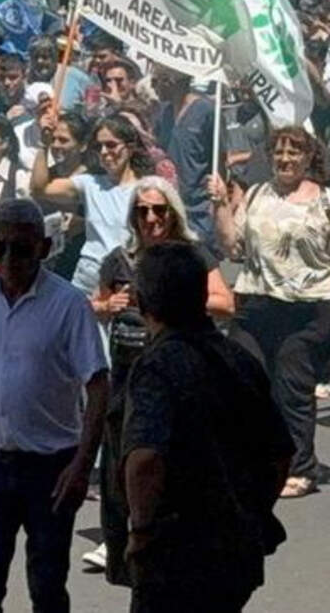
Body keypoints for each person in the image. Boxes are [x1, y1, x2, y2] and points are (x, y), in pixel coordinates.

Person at [0, 198, 107, 613]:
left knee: (47, 586)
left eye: (22, 249)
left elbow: (99, 386)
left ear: (44, 249)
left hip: (51, 468)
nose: (10, 259)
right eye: (0, 248)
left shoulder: (69, 305)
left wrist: (82, 467)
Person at [120, 242, 293, 613]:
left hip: (176, 554)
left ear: (143, 302)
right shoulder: (240, 360)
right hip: (235, 550)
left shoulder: (157, 366)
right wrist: (253, 510)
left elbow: (146, 459)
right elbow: (280, 453)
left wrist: (141, 532)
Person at [85, 176, 234, 580]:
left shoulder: (192, 255)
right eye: (142, 210)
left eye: (159, 209)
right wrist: (107, 304)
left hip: (179, 369)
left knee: (164, 456)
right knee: (119, 456)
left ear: (172, 212)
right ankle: (117, 539)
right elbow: (95, 306)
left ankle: (160, 532)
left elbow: (225, 302)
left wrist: (177, 297)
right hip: (127, 368)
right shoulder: (119, 259)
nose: (151, 218)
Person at [210, 125, 330, 498]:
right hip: (257, 303)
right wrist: (220, 204)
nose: (285, 159)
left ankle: (300, 467)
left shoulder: (327, 200)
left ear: (308, 158)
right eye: (278, 152)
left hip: (308, 309)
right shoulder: (256, 195)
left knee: (291, 387)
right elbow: (233, 246)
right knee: (244, 380)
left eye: (293, 152)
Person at [31, 110, 155, 295]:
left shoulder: (147, 189)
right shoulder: (90, 183)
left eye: (111, 145)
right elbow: (40, 188)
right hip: (88, 275)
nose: (105, 152)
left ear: (129, 148)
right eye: (99, 147)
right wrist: (44, 145)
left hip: (126, 277)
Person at [150, 67, 218, 237]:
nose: (153, 88)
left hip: (198, 209)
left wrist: (216, 204)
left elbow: (219, 159)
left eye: (155, 82)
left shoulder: (206, 111)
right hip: (168, 204)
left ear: (170, 81)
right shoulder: (163, 113)